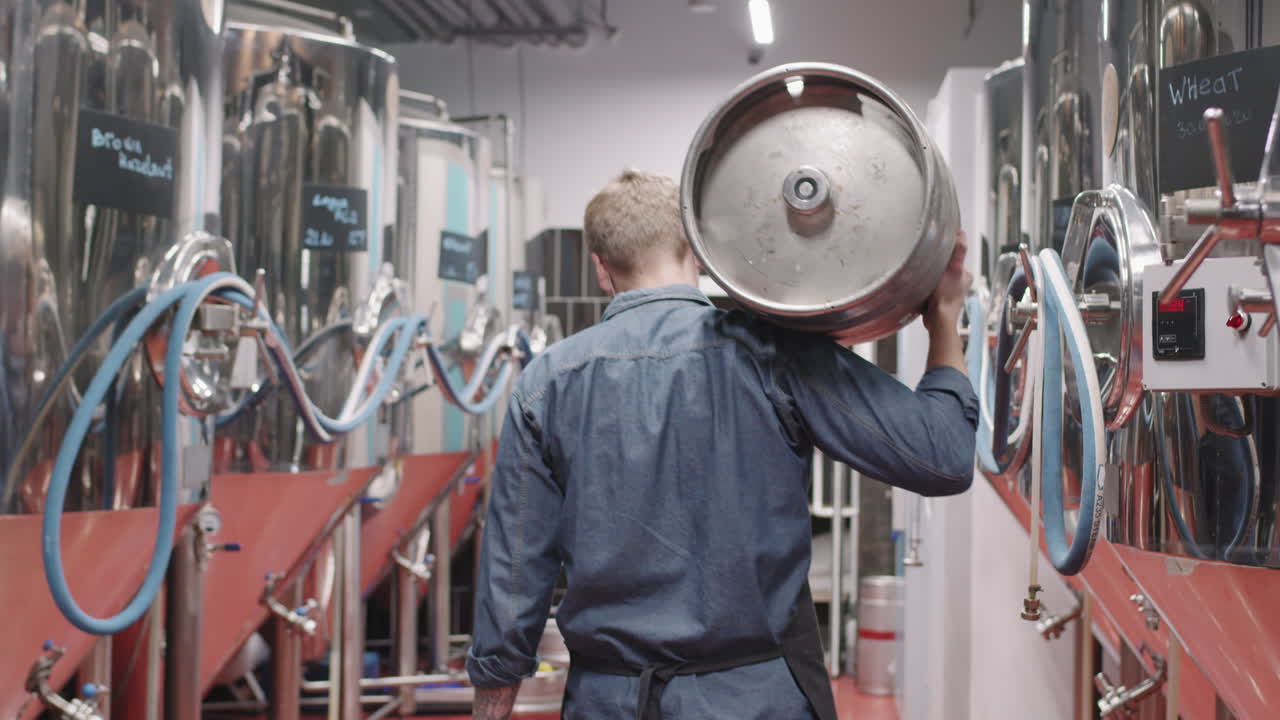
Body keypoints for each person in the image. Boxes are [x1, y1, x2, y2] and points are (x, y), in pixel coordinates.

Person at [467, 169, 977, 720]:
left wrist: (490, 709)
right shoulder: (774, 355)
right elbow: (942, 456)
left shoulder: (545, 385)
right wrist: (944, 318)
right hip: (755, 701)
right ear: (699, 250)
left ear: (600, 269)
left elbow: (514, 580)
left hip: (609, 702)